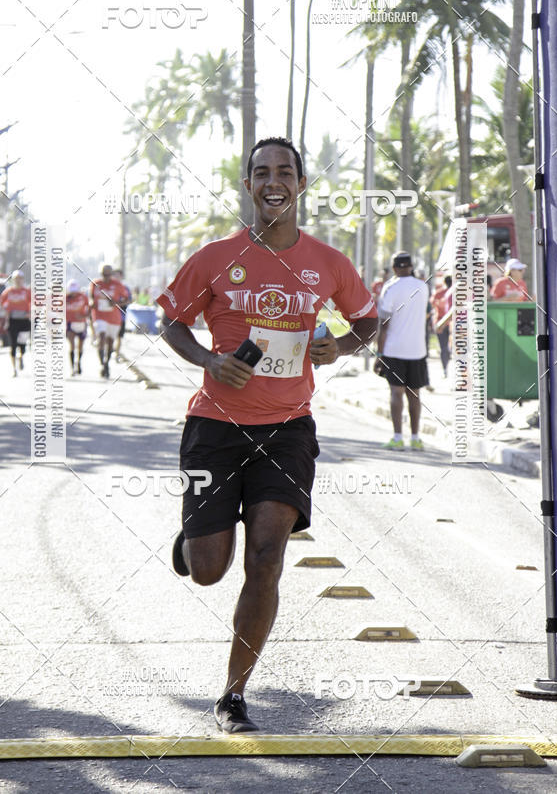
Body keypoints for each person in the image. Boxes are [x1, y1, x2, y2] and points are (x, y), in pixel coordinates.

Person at [158, 136, 378, 734]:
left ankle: (233, 694)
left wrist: (342, 345)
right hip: (214, 427)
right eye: (261, 172)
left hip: (286, 430)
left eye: (284, 171)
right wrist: (208, 359)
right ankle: (192, 542)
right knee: (209, 569)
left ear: (301, 183)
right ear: (248, 185)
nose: (273, 181)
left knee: (267, 559)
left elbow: (366, 320)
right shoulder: (214, 256)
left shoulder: (328, 262)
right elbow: (172, 323)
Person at [374, 251, 429, 450]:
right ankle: (415, 438)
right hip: (418, 350)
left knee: (396, 392)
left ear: (395, 268)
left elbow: (384, 324)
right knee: (415, 394)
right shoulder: (423, 287)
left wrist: (379, 355)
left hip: (394, 349)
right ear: (411, 267)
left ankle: (397, 438)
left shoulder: (390, 287)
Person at [89, 263, 129, 378]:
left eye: (108, 275)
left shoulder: (118, 285)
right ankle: (102, 364)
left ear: (111, 274)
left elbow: (127, 299)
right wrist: (91, 302)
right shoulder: (95, 283)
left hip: (114, 318)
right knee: (101, 337)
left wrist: (116, 303)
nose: (105, 277)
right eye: (103, 274)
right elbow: (91, 297)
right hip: (99, 316)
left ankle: (107, 362)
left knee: (111, 343)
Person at [0, 269, 31, 377]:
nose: (18, 281)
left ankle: (21, 356)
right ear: (13, 280)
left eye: (20, 279)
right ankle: (14, 369)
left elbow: (36, 304)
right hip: (12, 321)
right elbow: (0, 304)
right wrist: (6, 310)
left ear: (22, 280)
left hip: (24, 322)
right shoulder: (8, 291)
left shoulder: (26, 291)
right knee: (13, 345)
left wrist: (30, 313)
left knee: (22, 346)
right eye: (16, 279)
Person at [66, 280, 89, 375]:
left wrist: (83, 316)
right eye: (72, 290)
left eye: (75, 290)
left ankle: (78, 363)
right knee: (72, 346)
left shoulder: (83, 297)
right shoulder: (65, 298)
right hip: (70, 324)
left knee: (80, 346)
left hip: (81, 324)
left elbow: (90, 309)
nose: (73, 292)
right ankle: (72, 368)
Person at [431, 275, 453, 376]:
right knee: (451, 348)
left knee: (444, 347)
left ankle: (445, 369)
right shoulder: (455, 292)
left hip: (441, 322)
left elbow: (433, 305)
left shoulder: (438, 293)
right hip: (452, 323)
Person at [112, 268, 132, 361]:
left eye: (118, 275)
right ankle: (109, 351)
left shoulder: (125, 288)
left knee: (119, 337)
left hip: (121, 316)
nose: (116, 277)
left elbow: (129, 300)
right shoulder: (109, 288)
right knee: (110, 336)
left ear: (121, 277)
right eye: (114, 275)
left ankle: (116, 354)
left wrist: (118, 304)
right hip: (109, 316)